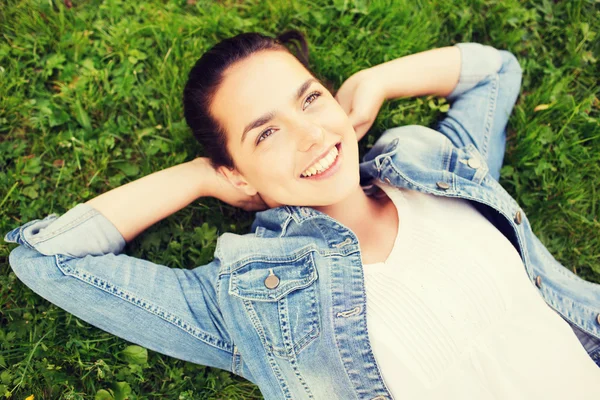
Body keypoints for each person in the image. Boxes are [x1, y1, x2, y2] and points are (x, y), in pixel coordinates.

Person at [5, 30, 600, 400]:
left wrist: (378, 82)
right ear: (236, 171)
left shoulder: (436, 168)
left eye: (309, 98)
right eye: (266, 134)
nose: (311, 134)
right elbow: (47, 260)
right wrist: (197, 178)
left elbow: (497, 71)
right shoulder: (250, 300)